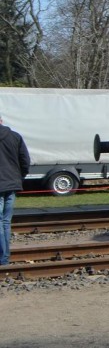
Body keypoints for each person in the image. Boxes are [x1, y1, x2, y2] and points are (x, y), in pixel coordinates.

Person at [0, 113, 31, 266]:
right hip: (11, 184)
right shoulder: (15, 137)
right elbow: (25, 161)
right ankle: (4, 257)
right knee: (5, 222)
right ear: (1, 121)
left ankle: (3, 257)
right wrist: (19, 178)